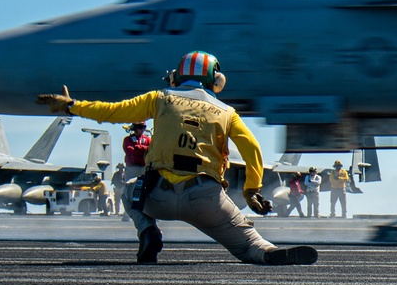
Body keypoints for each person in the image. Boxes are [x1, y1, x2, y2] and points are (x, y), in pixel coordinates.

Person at [36, 50, 317, 266]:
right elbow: (252, 150)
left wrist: (71, 106)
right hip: (206, 199)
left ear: (177, 77)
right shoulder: (227, 112)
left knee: (127, 192)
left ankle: (148, 232)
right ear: (216, 80)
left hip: (157, 196)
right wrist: (251, 190)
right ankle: (267, 253)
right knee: (249, 247)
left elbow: (112, 111)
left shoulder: (160, 98)